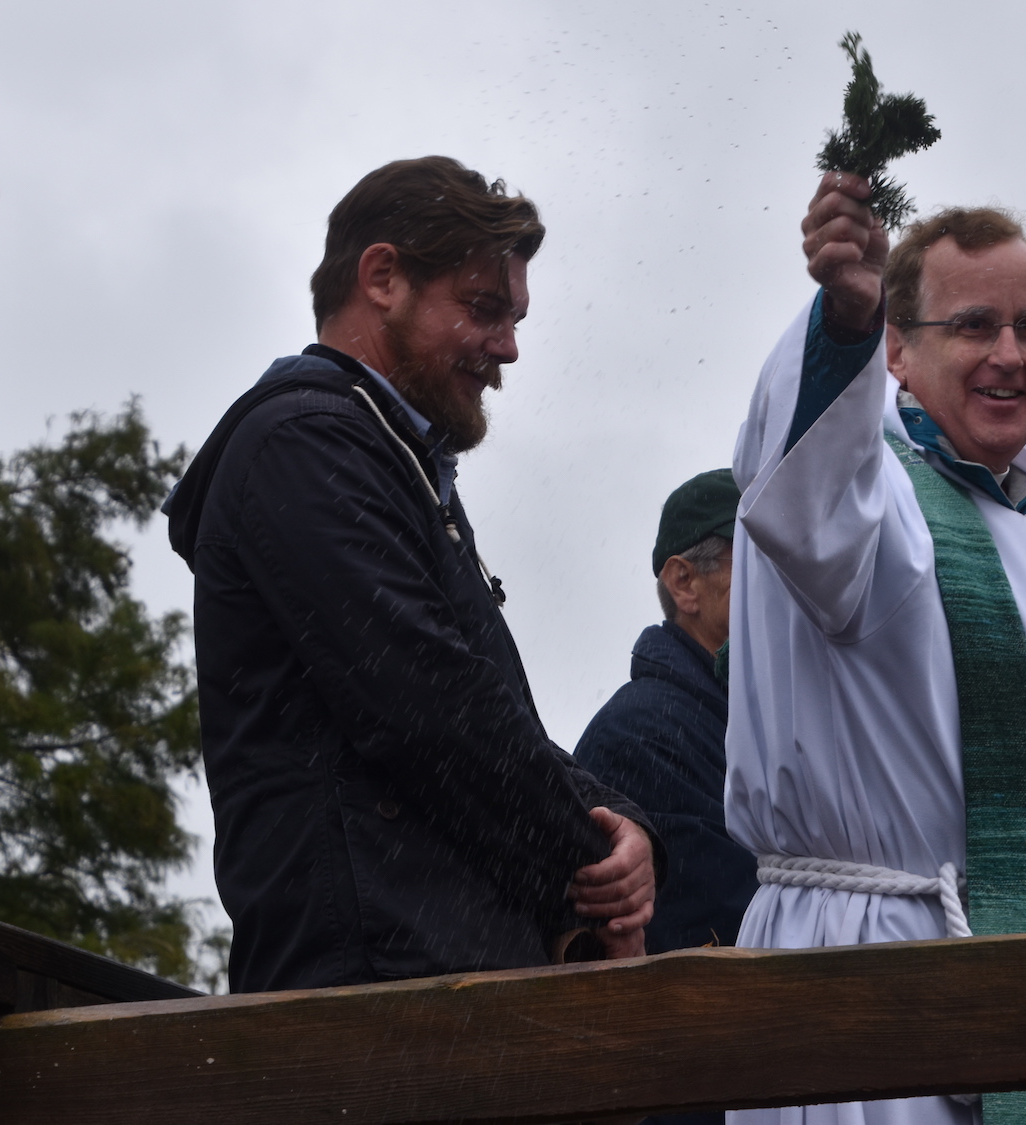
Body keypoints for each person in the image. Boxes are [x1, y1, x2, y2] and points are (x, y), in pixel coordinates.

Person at [725, 175, 1026, 1125]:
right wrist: (842, 317)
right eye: (974, 325)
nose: (1010, 355)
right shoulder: (873, 492)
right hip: (872, 972)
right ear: (897, 348)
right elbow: (796, 486)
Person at [163, 156, 659, 993]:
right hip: (371, 997)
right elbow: (430, 706)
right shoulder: (305, 446)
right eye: (483, 309)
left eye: (515, 318)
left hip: (428, 979)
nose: (507, 348)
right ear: (383, 277)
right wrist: (593, 857)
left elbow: (481, 714)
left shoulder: (384, 459)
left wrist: (630, 829)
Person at [576, 469, 757, 957]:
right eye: (763, 556)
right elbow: (721, 935)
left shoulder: (770, 719)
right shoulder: (642, 737)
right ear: (685, 583)